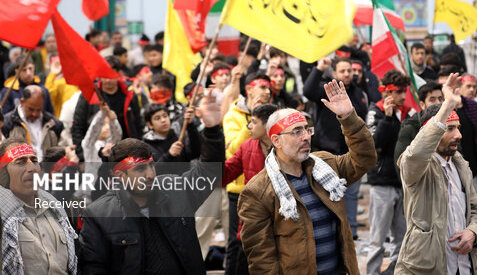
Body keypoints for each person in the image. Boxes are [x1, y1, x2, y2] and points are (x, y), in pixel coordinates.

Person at [78, 87, 226, 273]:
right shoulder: (98, 216)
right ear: (120, 175)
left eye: (151, 166)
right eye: (140, 169)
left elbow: (209, 171)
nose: (150, 175)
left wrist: (212, 131)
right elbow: (93, 268)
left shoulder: (177, 190)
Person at [238, 79, 377, 274]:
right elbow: (262, 261)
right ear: (276, 140)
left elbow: (365, 158)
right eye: (296, 131)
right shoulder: (257, 192)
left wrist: (348, 117)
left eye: (307, 129)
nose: (305, 137)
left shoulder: (326, 166)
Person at [396, 73, 477, 274]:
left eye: (458, 128)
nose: (458, 135)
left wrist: (473, 233)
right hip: (428, 267)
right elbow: (415, 154)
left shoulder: (460, 165)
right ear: (432, 131)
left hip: (465, 266)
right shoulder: (416, 167)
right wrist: (447, 106)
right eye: (450, 129)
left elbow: (476, 209)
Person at [303, 56, 368, 239]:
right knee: (328, 194)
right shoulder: (326, 90)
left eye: (350, 71)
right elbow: (308, 91)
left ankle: (351, 233)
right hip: (328, 152)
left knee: (352, 194)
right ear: (334, 73)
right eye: (343, 71)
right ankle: (330, 233)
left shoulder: (358, 93)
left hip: (350, 152)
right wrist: (319, 68)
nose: (347, 74)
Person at [0, 138, 79, 275]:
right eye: (20, 162)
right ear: (3, 174)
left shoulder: (56, 209)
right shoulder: (3, 216)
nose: (32, 168)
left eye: (34, 161)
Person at [222, 71, 271, 272]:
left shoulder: (272, 114)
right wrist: (252, 118)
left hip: (266, 196)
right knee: (238, 243)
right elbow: (233, 149)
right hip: (239, 190)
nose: (267, 91)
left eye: (269, 87)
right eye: (262, 87)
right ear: (249, 89)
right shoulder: (233, 115)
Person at [365, 70, 411, 275]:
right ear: (388, 92)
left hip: (402, 182)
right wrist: (388, 118)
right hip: (382, 183)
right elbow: (375, 143)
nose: (403, 96)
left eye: (405, 91)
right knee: (377, 239)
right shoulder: (375, 111)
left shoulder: (406, 112)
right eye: (399, 92)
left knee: (403, 239)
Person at [71, 57, 144, 159]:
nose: (108, 80)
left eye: (111, 76)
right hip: (96, 151)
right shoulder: (89, 95)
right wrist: (82, 156)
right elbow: (78, 126)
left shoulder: (129, 95)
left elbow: (138, 124)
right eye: (104, 76)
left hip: (125, 150)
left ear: (119, 74)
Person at [2, 85, 67, 160]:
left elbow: (64, 149)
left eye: (38, 110)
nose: (34, 114)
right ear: (22, 102)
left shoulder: (55, 124)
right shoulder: (7, 124)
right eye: (31, 109)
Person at [393, 81, 444, 176]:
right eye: (432, 99)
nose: (438, 103)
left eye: (440, 99)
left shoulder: (449, 124)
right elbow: (401, 167)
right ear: (422, 104)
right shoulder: (410, 128)